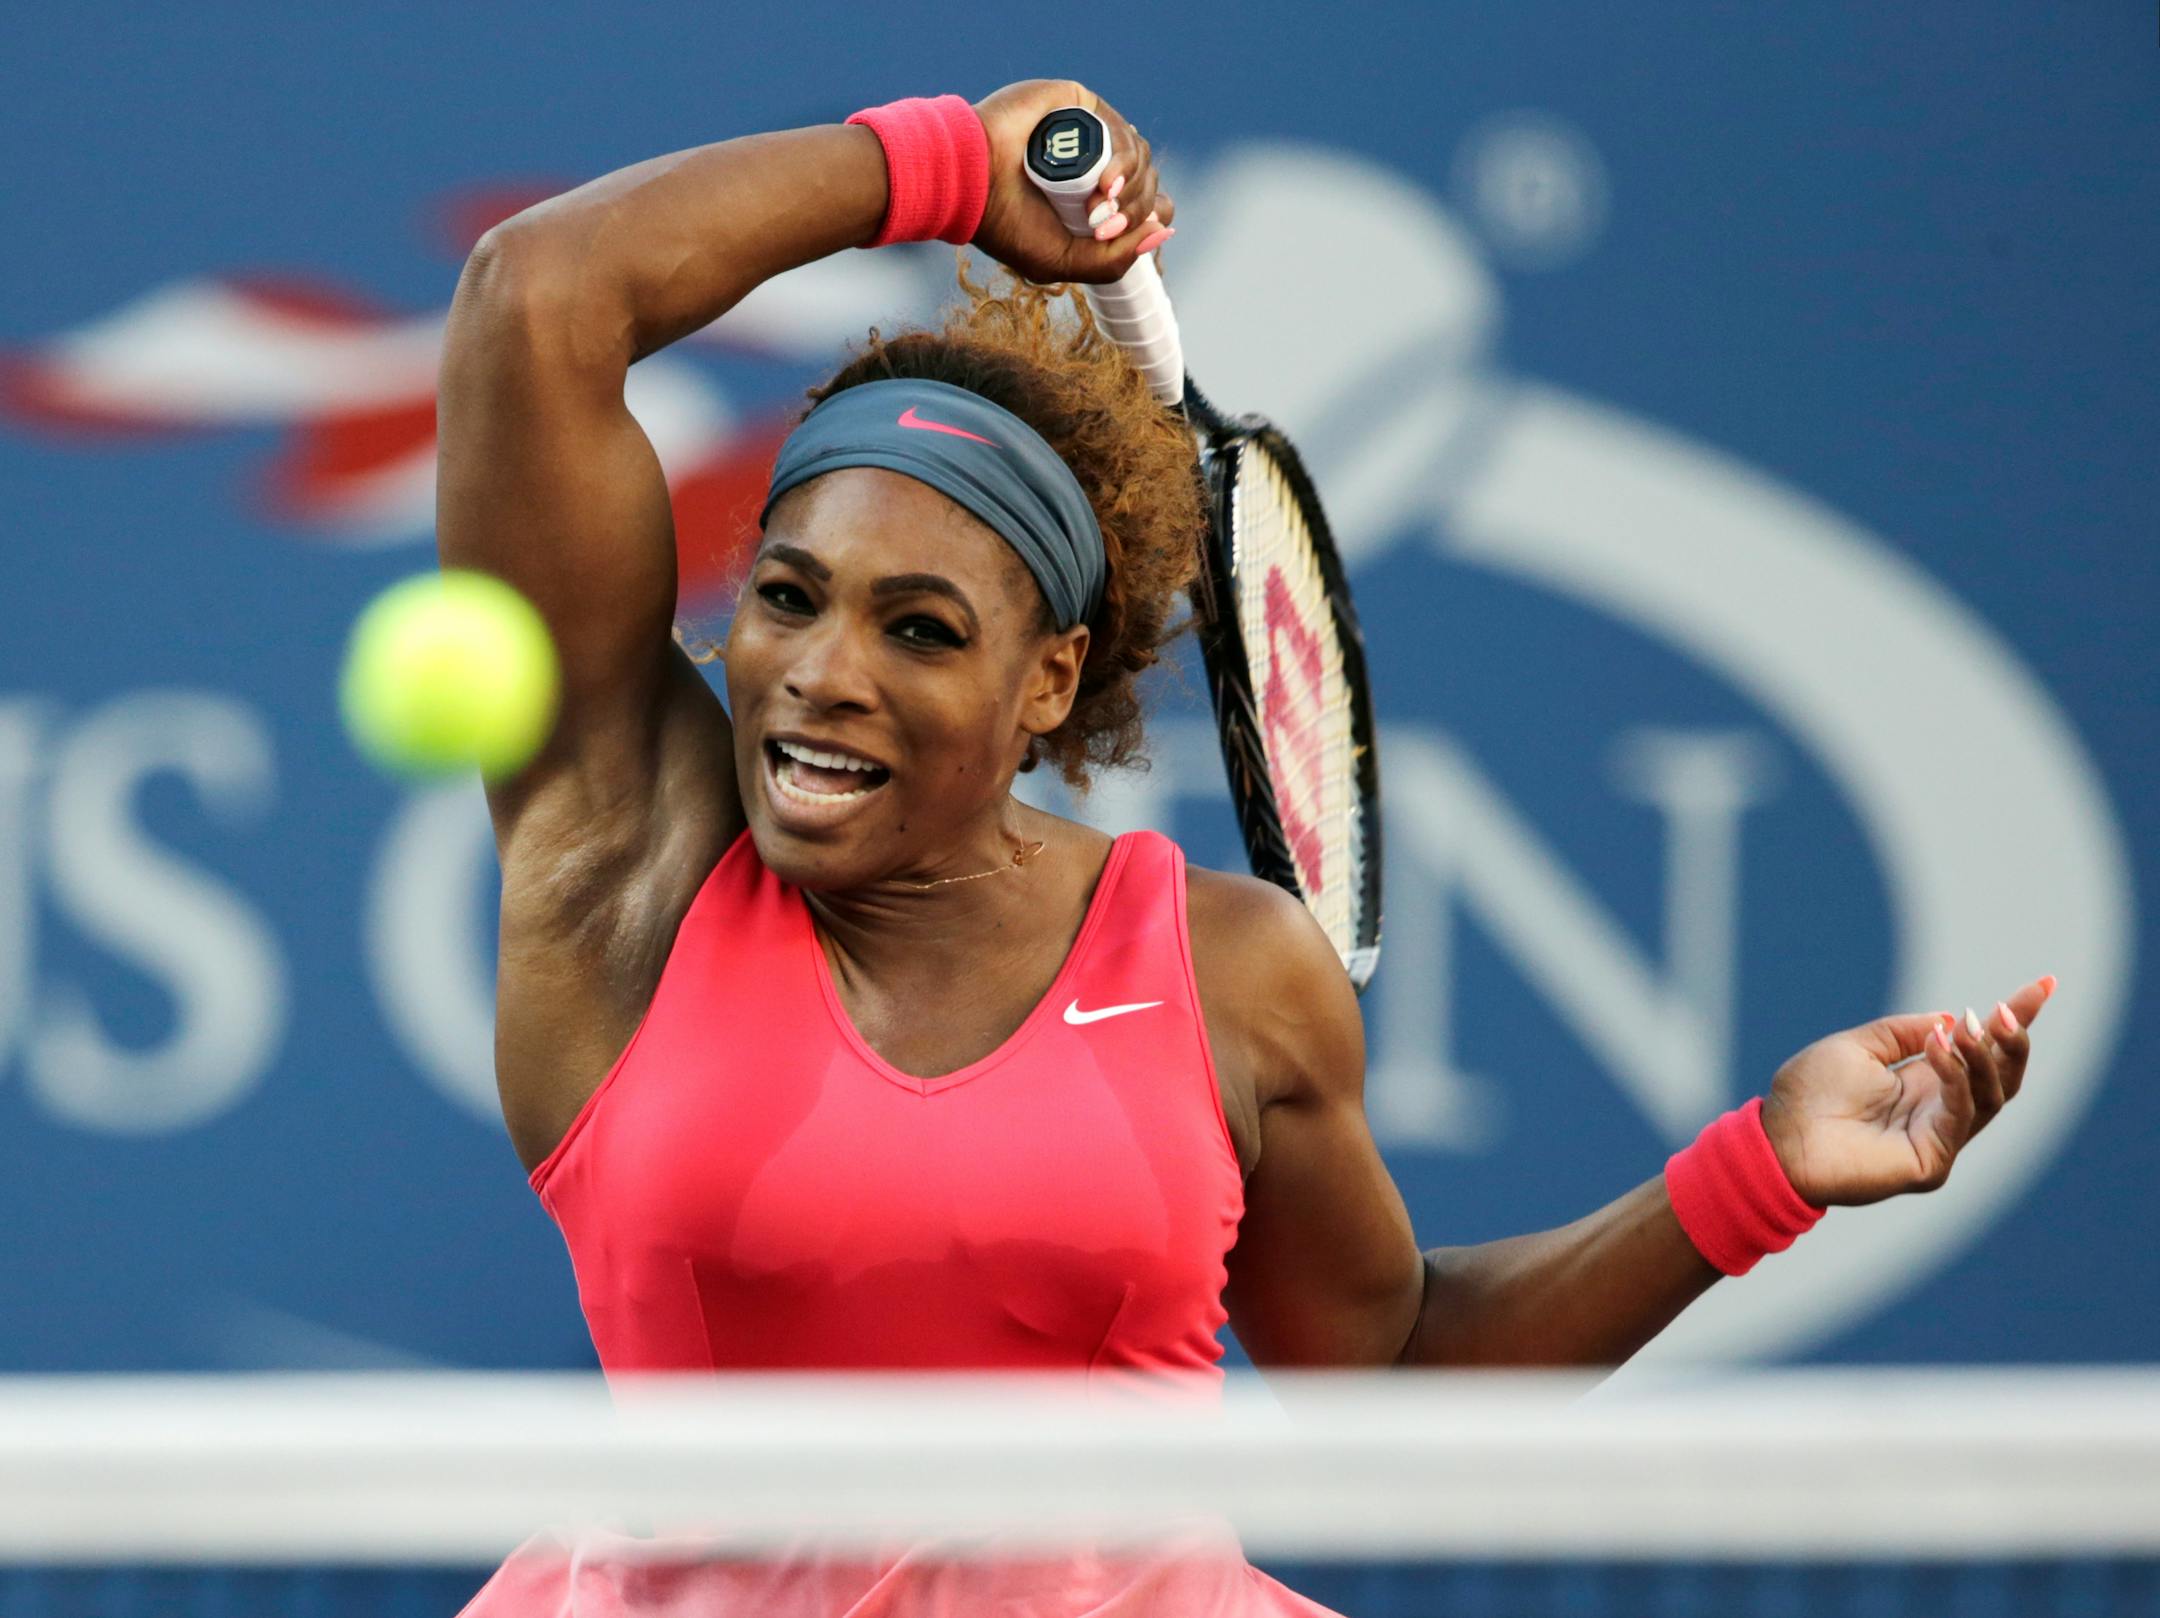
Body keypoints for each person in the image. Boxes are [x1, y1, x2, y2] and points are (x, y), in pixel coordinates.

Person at [440, 77, 2053, 1616]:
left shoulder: (1229, 972)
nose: (820, 669)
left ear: (1047, 683)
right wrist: (939, 167)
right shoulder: (625, 874)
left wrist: (1757, 1173)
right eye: (787, 594)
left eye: (919, 627)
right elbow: (541, 296)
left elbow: (1389, 1375)